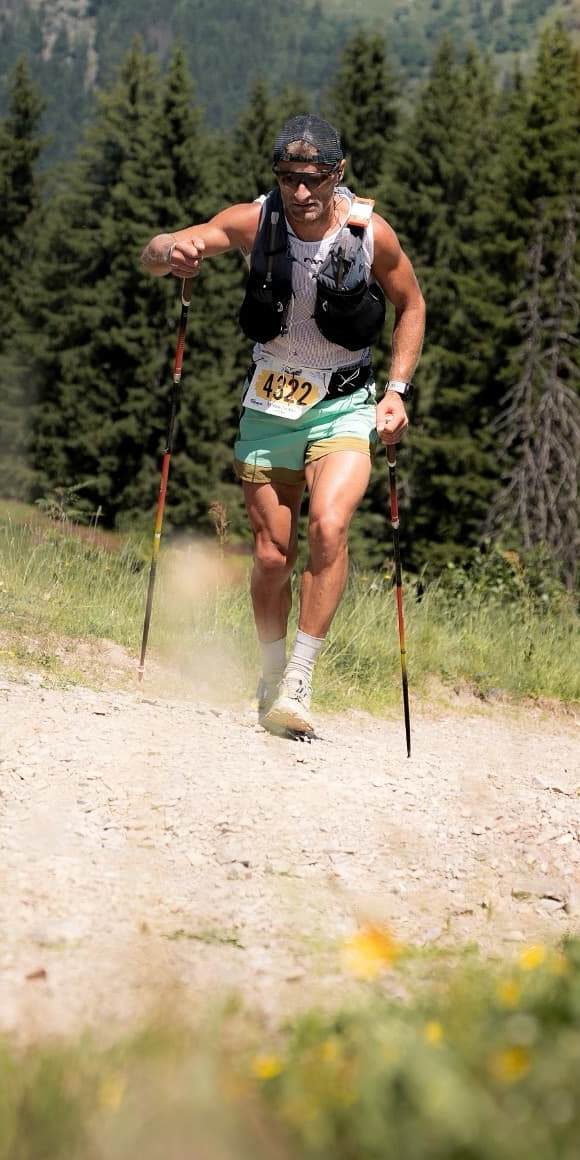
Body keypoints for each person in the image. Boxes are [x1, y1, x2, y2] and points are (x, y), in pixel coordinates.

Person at [140, 114, 425, 739]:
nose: (301, 194)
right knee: (272, 554)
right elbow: (162, 251)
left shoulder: (369, 233)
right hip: (270, 403)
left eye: (314, 180)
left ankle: (298, 678)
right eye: (290, 179)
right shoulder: (255, 220)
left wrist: (398, 392)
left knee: (329, 525)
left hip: (346, 400)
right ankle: (269, 674)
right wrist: (170, 252)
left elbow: (411, 304)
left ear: (337, 175)